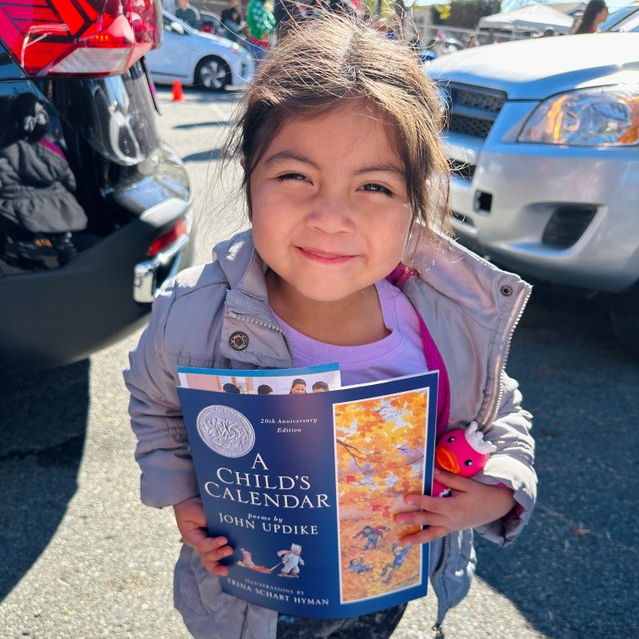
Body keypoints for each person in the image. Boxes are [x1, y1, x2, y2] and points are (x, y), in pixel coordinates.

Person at [124, 15, 536, 639]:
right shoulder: (193, 316)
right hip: (248, 600)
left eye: (373, 186)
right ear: (249, 181)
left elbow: (498, 413)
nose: (330, 217)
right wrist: (184, 495)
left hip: (382, 592)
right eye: (295, 176)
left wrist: (499, 492)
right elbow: (155, 405)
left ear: (412, 206)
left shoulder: (441, 324)